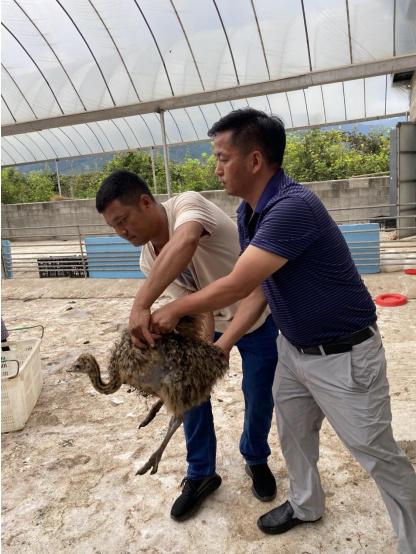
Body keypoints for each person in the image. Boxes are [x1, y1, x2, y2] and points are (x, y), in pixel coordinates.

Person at [149, 108, 416, 553]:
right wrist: (225, 342)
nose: (215, 167)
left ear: (255, 161)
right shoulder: (248, 213)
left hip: (344, 356)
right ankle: (306, 504)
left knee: (376, 453)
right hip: (294, 350)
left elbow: (237, 283)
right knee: (293, 435)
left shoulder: (293, 207)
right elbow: (261, 287)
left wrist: (174, 308)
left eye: (222, 156)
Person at [95, 169, 279, 521]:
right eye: (114, 228)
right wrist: (203, 354)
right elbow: (195, 303)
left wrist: (141, 305)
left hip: (255, 314)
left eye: (123, 221)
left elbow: (188, 243)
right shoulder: (148, 258)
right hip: (207, 318)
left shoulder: (188, 206)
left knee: (258, 393)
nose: (122, 233)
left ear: (146, 202)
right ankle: (201, 473)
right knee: (188, 392)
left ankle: (256, 458)